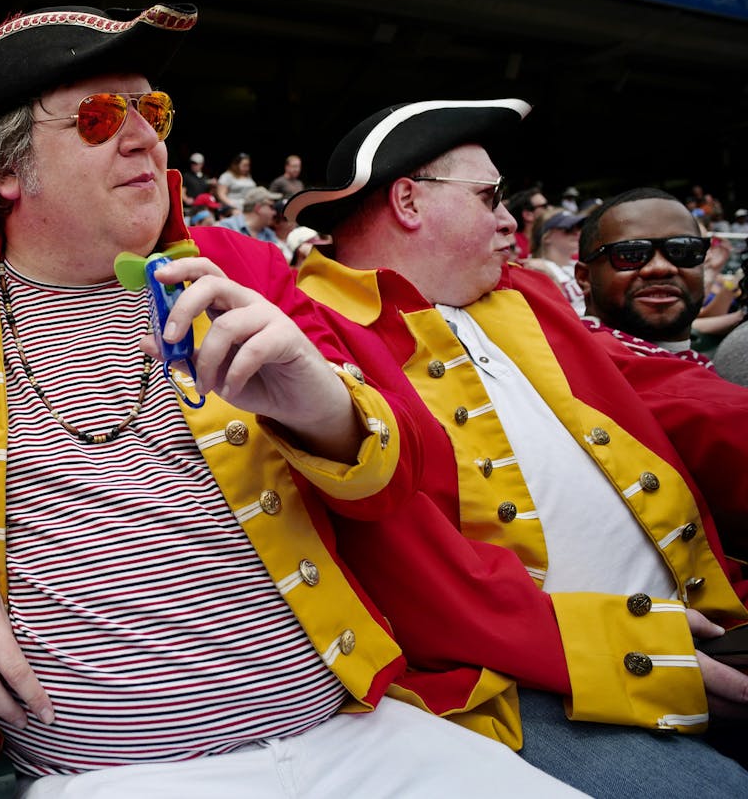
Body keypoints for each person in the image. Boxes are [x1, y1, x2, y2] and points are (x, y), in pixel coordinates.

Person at [0, 3, 580, 796]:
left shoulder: (249, 269)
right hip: (111, 777)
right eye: (99, 117)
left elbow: (399, 481)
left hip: (352, 737)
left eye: (151, 109)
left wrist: (323, 405)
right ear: (2, 171)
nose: (145, 138)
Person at [284, 99, 748, 794]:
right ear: (410, 201)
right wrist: (644, 650)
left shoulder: (523, 297)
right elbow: (419, 582)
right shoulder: (315, 334)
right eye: (490, 198)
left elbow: (686, 400)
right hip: (526, 684)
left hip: (710, 617)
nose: (512, 221)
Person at [575, 189, 717, 365]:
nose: (661, 267)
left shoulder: (715, 375)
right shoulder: (563, 368)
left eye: (683, 251)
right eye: (630, 254)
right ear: (584, 277)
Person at [522, 206, 586, 315]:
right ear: (546, 237)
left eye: (578, 227)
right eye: (569, 229)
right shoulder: (535, 268)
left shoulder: (577, 265)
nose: (577, 233)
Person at [504, 185, 549, 260]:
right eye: (544, 206)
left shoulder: (552, 238)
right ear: (528, 215)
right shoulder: (511, 243)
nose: (550, 208)